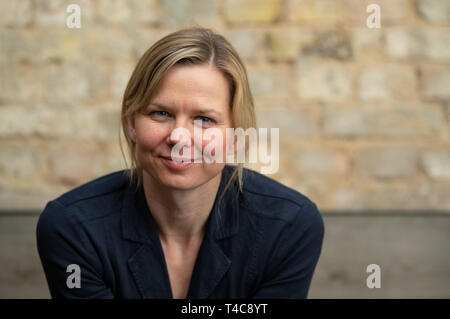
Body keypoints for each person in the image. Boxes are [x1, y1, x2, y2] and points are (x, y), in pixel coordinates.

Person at [36, 27, 324, 299]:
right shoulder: (71, 228)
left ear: (236, 136)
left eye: (204, 119)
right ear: (131, 123)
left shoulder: (288, 228)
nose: (179, 138)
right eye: (161, 113)